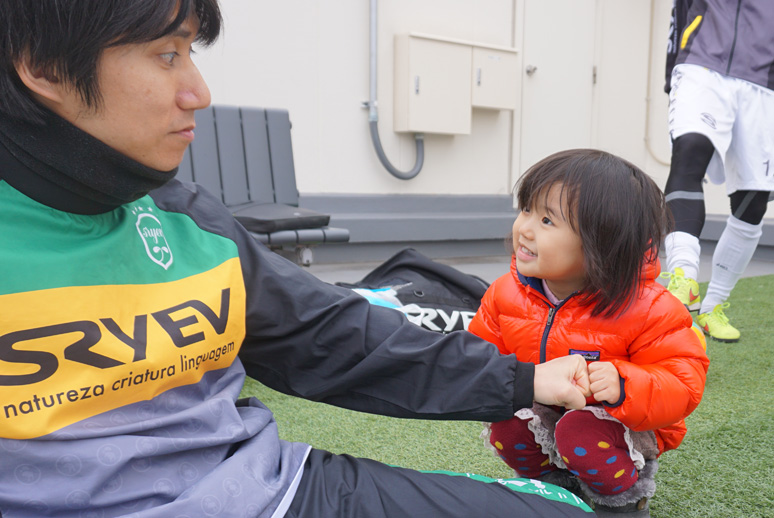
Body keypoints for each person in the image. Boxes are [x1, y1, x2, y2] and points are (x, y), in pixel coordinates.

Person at [0, 1, 596, 517]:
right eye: (166, 55)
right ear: (45, 66)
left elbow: (325, 333)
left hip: (264, 491)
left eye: (190, 53)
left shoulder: (183, 217)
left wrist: (525, 380)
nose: (198, 92)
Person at [468, 150, 710, 517]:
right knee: (507, 422)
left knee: (580, 430)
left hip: (623, 424)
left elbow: (683, 382)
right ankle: (554, 489)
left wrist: (624, 384)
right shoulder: (506, 293)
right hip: (546, 410)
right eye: (526, 209)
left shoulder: (647, 306)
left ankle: (622, 501)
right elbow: (479, 355)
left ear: (603, 243)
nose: (525, 228)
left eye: (547, 220)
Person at [660, 0, 774, 342]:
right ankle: (683, 277)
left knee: (754, 199)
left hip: (763, 83)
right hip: (701, 64)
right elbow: (680, 12)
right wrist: (671, 76)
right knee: (690, 150)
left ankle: (714, 305)